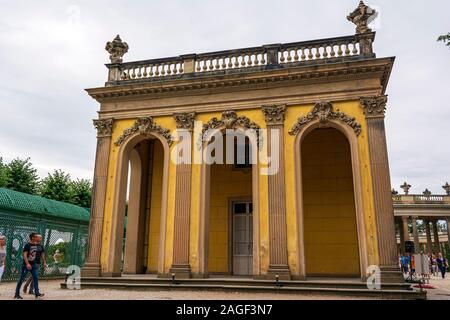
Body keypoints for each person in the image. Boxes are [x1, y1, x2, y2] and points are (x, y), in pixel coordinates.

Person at [14, 233, 46, 299]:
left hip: (34, 264)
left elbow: (39, 254)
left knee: (35, 278)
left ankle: (37, 293)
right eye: (36, 237)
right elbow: (24, 255)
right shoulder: (27, 245)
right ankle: (17, 294)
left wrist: (43, 262)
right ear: (32, 238)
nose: (38, 238)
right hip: (26, 265)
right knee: (21, 279)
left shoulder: (36, 245)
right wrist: (27, 263)